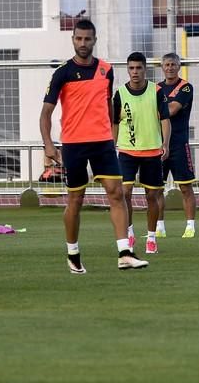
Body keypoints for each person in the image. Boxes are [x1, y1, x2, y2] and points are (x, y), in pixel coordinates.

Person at [39, 19, 148, 273]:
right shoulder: (62, 73)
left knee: (116, 193)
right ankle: (73, 253)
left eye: (88, 39)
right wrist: (49, 146)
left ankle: (125, 253)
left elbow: (107, 103)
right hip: (74, 144)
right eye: (79, 38)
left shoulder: (106, 70)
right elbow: (45, 114)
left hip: (102, 143)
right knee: (75, 199)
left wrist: (112, 132)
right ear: (73, 40)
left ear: (94, 40)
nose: (83, 43)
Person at [112, 52, 171, 255]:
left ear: (145, 69)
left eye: (138, 68)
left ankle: (152, 237)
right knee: (124, 193)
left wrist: (166, 144)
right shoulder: (120, 94)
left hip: (152, 151)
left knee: (151, 196)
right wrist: (112, 146)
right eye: (131, 68)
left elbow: (165, 119)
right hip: (127, 150)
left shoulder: (156, 91)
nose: (135, 72)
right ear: (127, 69)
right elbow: (114, 122)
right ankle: (129, 233)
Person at [156, 53, 196, 238]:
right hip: (158, 144)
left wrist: (152, 112)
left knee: (186, 187)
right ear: (162, 67)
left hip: (179, 143)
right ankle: (159, 227)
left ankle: (190, 226)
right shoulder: (156, 88)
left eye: (173, 64)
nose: (170, 67)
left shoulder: (186, 87)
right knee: (156, 188)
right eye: (166, 64)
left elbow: (172, 109)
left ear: (178, 66)